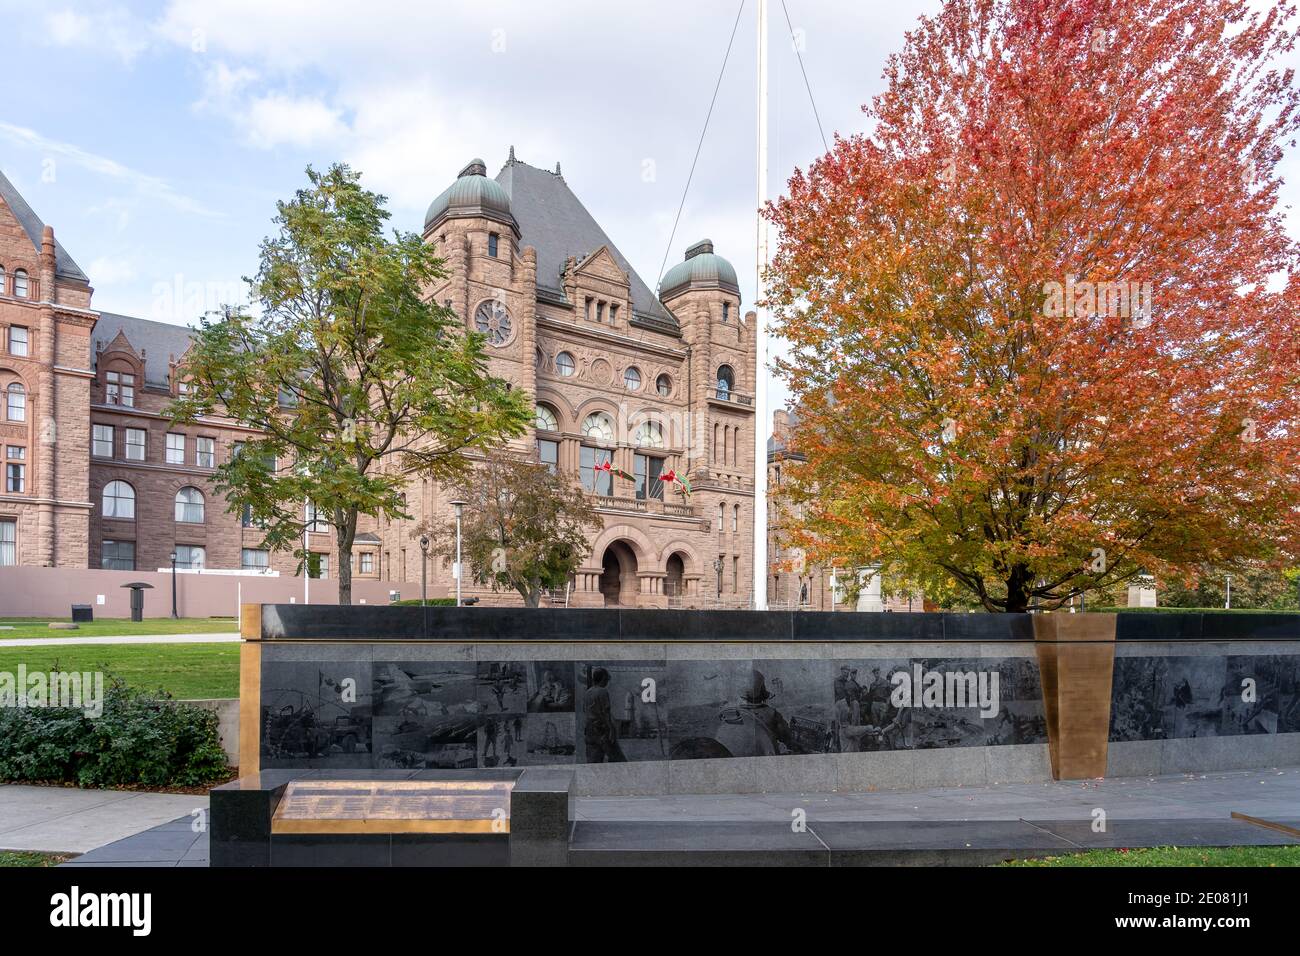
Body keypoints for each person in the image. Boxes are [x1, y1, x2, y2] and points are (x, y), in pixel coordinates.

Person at [583, 668, 625, 762]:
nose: (607, 681)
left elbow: (585, 711)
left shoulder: (587, 693)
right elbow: (606, 713)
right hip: (602, 730)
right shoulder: (603, 691)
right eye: (606, 678)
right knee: (618, 759)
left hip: (589, 731)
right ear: (603, 678)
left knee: (594, 762)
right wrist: (611, 729)